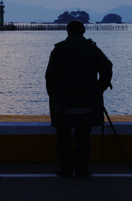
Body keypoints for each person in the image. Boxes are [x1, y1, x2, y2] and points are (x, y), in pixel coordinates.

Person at [45, 20, 113, 178]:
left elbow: (49, 77)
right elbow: (107, 67)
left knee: (63, 137)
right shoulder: (92, 48)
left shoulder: (58, 50)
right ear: (83, 32)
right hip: (88, 98)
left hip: (63, 99)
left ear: (68, 32)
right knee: (83, 136)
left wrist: (53, 96)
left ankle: (65, 169)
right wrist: (99, 88)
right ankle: (82, 170)